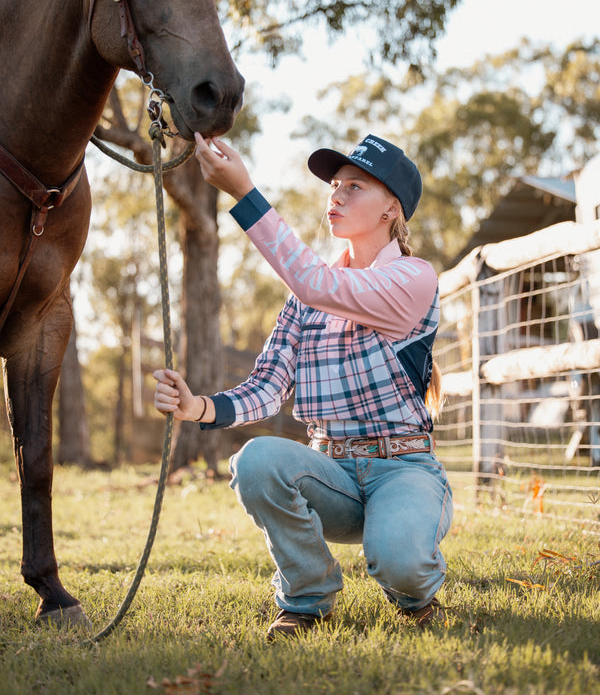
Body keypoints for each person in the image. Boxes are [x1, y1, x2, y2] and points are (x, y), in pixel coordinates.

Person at [154, 132, 453, 641]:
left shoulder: (413, 278)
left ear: (391, 209)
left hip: (403, 469)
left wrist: (244, 192)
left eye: (354, 186)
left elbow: (318, 284)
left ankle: (412, 591)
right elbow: (268, 386)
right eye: (334, 185)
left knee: (399, 560)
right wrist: (197, 407)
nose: (335, 195)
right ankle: (309, 596)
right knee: (256, 459)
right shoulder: (305, 297)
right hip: (330, 474)